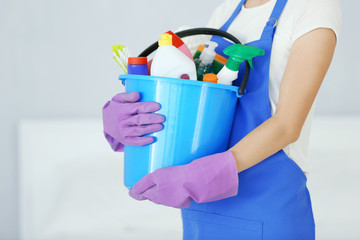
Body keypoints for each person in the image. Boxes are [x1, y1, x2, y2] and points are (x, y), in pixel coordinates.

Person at [102, 0, 341, 239]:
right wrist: (133, 118)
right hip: (202, 211)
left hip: (267, 210)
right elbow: (197, 110)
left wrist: (200, 176)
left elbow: (287, 125)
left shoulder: (313, 7)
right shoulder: (226, 11)